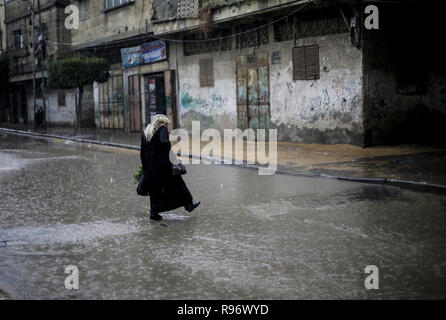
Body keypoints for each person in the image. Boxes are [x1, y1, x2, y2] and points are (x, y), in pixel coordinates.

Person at [140, 114, 200, 220]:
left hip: (151, 166)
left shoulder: (146, 131)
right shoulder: (161, 129)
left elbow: (142, 152)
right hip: (163, 165)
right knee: (178, 183)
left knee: (155, 189)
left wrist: (145, 168)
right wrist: (174, 160)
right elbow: (165, 145)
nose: (167, 126)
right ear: (163, 122)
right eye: (167, 124)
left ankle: (154, 213)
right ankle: (188, 205)